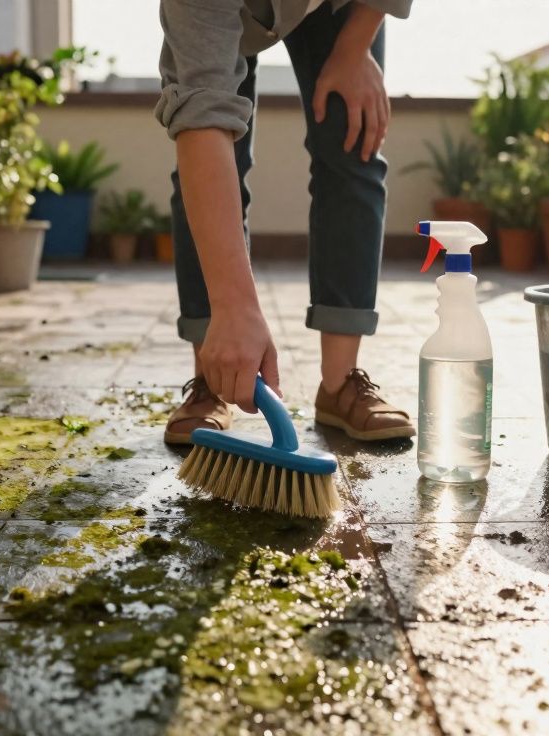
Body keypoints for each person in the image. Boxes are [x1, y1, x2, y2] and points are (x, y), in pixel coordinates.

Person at [156, 0, 416, 445]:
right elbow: (203, 121)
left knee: (353, 135)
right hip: (228, 13)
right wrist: (234, 309)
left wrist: (355, 50)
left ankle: (340, 382)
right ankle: (213, 376)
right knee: (211, 161)